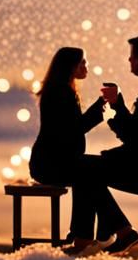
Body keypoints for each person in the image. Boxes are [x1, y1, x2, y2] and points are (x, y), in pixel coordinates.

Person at [67, 35, 138, 256]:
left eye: (132, 58)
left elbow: (135, 137)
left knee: (84, 169)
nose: (129, 61)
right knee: (86, 166)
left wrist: (116, 106)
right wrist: (115, 107)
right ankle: (100, 236)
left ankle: (117, 234)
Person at [28, 46, 106, 188]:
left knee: (93, 175)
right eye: (82, 62)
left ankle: (94, 212)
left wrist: (98, 106)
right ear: (70, 66)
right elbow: (74, 129)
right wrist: (98, 107)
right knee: (97, 172)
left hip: (51, 162)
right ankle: (107, 212)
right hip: (52, 165)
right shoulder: (60, 92)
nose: (86, 66)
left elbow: (72, 127)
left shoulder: (59, 89)